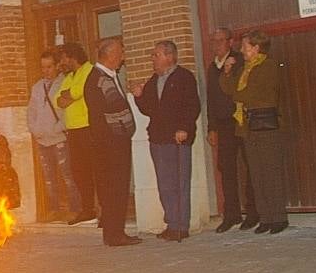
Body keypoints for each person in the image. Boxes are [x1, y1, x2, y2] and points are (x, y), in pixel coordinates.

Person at [220, 30, 288, 234]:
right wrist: (227, 72)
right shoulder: (244, 69)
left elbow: (251, 94)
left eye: (245, 46)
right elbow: (229, 89)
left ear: (256, 48)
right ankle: (266, 217)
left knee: (270, 172)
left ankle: (278, 218)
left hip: (265, 126)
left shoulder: (268, 66)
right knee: (257, 174)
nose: (241, 50)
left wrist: (237, 94)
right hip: (248, 127)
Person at [132, 40, 201, 241]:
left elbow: (192, 106)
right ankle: (171, 223)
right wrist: (138, 97)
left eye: (156, 55)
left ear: (170, 56)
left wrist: (184, 128)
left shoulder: (184, 77)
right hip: (158, 139)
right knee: (165, 183)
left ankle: (181, 225)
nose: (153, 59)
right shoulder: (155, 80)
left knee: (180, 181)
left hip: (177, 138)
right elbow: (149, 109)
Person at [83, 38, 141, 247]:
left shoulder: (106, 76)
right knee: (115, 188)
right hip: (110, 144)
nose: (123, 57)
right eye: (121, 53)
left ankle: (115, 232)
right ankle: (115, 234)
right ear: (110, 55)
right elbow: (111, 110)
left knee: (116, 187)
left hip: (113, 142)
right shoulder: (98, 79)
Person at [206, 27, 258, 232]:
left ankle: (253, 212)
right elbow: (210, 99)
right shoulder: (212, 67)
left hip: (241, 120)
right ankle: (232, 214)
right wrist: (212, 127)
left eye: (220, 40)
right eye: (213, 41)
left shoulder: (238, 61)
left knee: (249, 166)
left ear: (230, 42)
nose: (216, 44)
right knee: (226, 168)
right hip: (223, 125)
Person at [26, 50, 80, 220]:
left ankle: (75, 207)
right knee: (49, 178)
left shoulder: (65, 82)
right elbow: (31, 111)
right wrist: (34, 129)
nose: (46, 71)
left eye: (49, 67)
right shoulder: (37, 87)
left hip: (59, 138)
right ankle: (54, 209)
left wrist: (58, 128)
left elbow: (67, 109)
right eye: (43, 67)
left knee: (67, 175)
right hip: (42, 138)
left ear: (57, 66)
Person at [56, 43, 97, 225]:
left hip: (88, 128)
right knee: (79, 172)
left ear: (72, 57)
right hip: (73, 130)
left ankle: (101, 208)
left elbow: (76, 92)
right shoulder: (69, 76)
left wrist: (69, 95)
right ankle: (87, 209)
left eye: (64, 57)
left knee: (94, 170)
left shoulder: (88, 70)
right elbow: (58, 99)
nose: (62, 62)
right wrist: (68, 96)